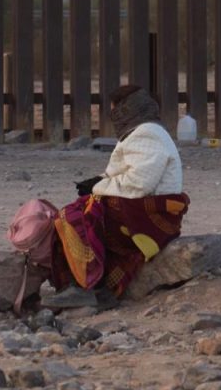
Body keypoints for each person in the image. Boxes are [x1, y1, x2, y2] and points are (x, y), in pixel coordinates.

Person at [48, 84, 189, 302]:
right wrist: (99, 182)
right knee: (84, 208)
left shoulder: (148, 134)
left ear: (126, 109)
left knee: (75, 216)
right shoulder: (141, 133)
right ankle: (93, 284)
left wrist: (97, 187)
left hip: (151, 215)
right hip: (141, 207)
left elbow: (139, 184)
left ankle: (83, 287)